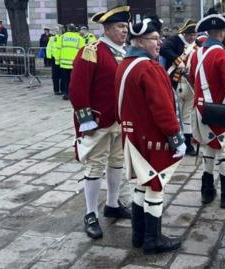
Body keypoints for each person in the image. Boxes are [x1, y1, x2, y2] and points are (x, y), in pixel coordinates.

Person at [115, 16, 185, 254]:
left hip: (133, 137)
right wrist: (176, 137)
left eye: (159, 38)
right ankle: (152, 240)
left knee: (142, 184)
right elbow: (163, 109)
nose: (159, 43)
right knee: (156, 185)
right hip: (152, 138)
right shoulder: (149, 68)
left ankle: (138, 235)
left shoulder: (125, 64)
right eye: (154, 39)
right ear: (140, 41)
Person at [68, 5, 132, 239]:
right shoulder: (92, 50)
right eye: (119, 26)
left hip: (119, 120)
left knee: (116, 163)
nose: (125, 30)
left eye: (126, 26)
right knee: (94, 167)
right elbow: (77, 89)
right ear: (107, 28)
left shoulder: (124, 52)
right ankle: (91, 213)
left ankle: (113, 204)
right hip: (97, 120)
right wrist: (86, 121)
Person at [189, 13, 225, 208]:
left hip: (200, 109)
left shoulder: (197, 52)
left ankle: (207, 191)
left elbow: (191, 78)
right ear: (222, 33)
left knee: (207, 146)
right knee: (224, 150)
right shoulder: (221, 53)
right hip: (218, 111)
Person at [160, 19, 198, 156]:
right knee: (175, 115)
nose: (193, 37)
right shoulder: (175, 40)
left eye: (195, 34)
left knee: (187, 117)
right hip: (175, 83)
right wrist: (178, 61)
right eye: (190, 34)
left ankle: (188, 145)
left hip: (190, 84)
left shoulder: (196, 45)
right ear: (185, 32)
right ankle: (175, 143)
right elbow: (164, 49)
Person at [59, 23, 85, 100]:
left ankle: (67, 94)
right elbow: (82, 51)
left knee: (65, 79)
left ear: (68, 29)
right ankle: (74, 94)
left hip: (64, 63)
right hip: (75, 64)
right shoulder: (80, 38)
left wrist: (57, 61)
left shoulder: (62, 37)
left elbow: (58, 49)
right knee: (74, 80)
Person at [46, 25, 64, 95]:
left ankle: (63, 90)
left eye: (58, 30)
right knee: (55, 76)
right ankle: (56, 90)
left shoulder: (64, 38)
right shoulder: (52, 38)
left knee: (63, 75)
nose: (56, 31)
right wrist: (49, 57)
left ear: (61, 30)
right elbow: (48, 48)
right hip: (54, 59)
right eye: (55, 30)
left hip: (62, 58)